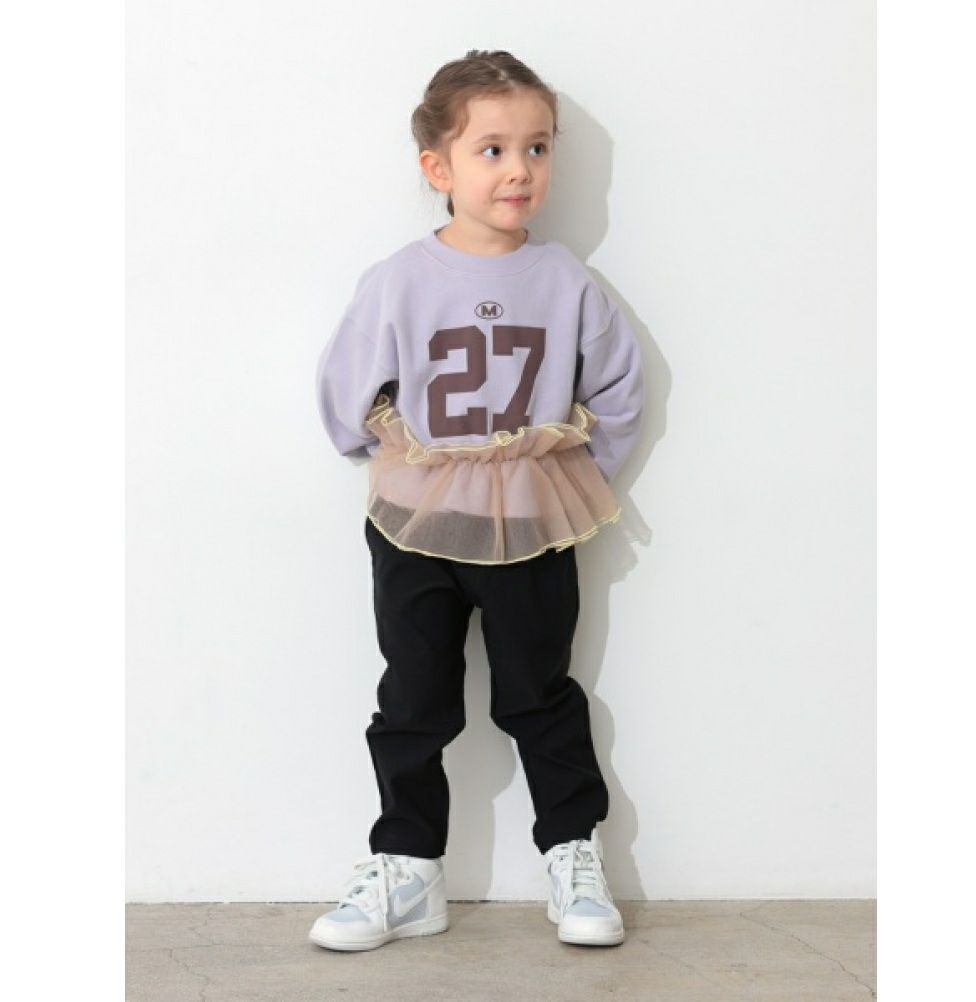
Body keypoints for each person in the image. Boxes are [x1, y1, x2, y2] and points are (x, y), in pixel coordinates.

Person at [309, 49, 644, 952]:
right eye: (491, 150)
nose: (518, 170)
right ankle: (408, 868)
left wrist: (575, 476)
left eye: (537, 147)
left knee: (540, 693)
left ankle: (572, 852)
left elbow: (619, 386)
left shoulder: (565, 280)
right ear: (439, 167)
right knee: (412, 697)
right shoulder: (400, 279)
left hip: (531, 524)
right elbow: (345, 390)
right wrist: (387, 452)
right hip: (419, 524)